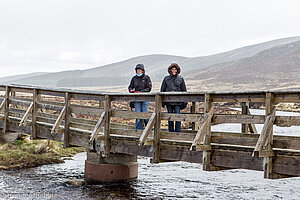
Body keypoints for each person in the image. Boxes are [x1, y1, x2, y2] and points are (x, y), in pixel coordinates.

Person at [160, 63, 187, 132]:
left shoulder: (180, 78)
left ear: (177, 70)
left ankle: (178, 132)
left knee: (177, 117)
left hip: (178, 102)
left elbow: (184, 90)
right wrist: (162, 102)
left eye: (175, 69)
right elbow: (162, 90)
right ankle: (170, 132)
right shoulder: (166, 79)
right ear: (170, 70)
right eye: (173, 69)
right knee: (170, 117)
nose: (174, 70)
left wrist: (184, 102)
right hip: (168, 101)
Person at [128, 64, 152, 130]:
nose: (138, 71)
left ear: (142, 71)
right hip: (137, 99)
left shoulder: (147, 77)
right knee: (138, 115)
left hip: (145, 98)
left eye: (140, 70)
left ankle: (149, 129)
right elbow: (130, 87)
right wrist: (131, 90)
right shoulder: (134, 78)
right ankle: (138, 130)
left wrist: (141, 92)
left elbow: (149, 88)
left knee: (145, 114)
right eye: (137, 70)